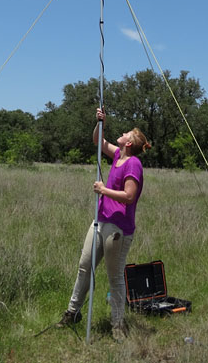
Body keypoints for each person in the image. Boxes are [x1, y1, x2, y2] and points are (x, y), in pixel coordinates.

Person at [58, 107, 151, 341]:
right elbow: (98, 141)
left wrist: (103, 190)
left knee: (114, 277)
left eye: (127, 133)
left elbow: (129, 196)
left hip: (118, 228)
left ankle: (118, 325)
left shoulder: (133, 164)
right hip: (100, 221)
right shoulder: (118, 156)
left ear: (129, 144)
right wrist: (100, 122)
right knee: (84, 267)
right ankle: (73, 312)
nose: (123, 133)